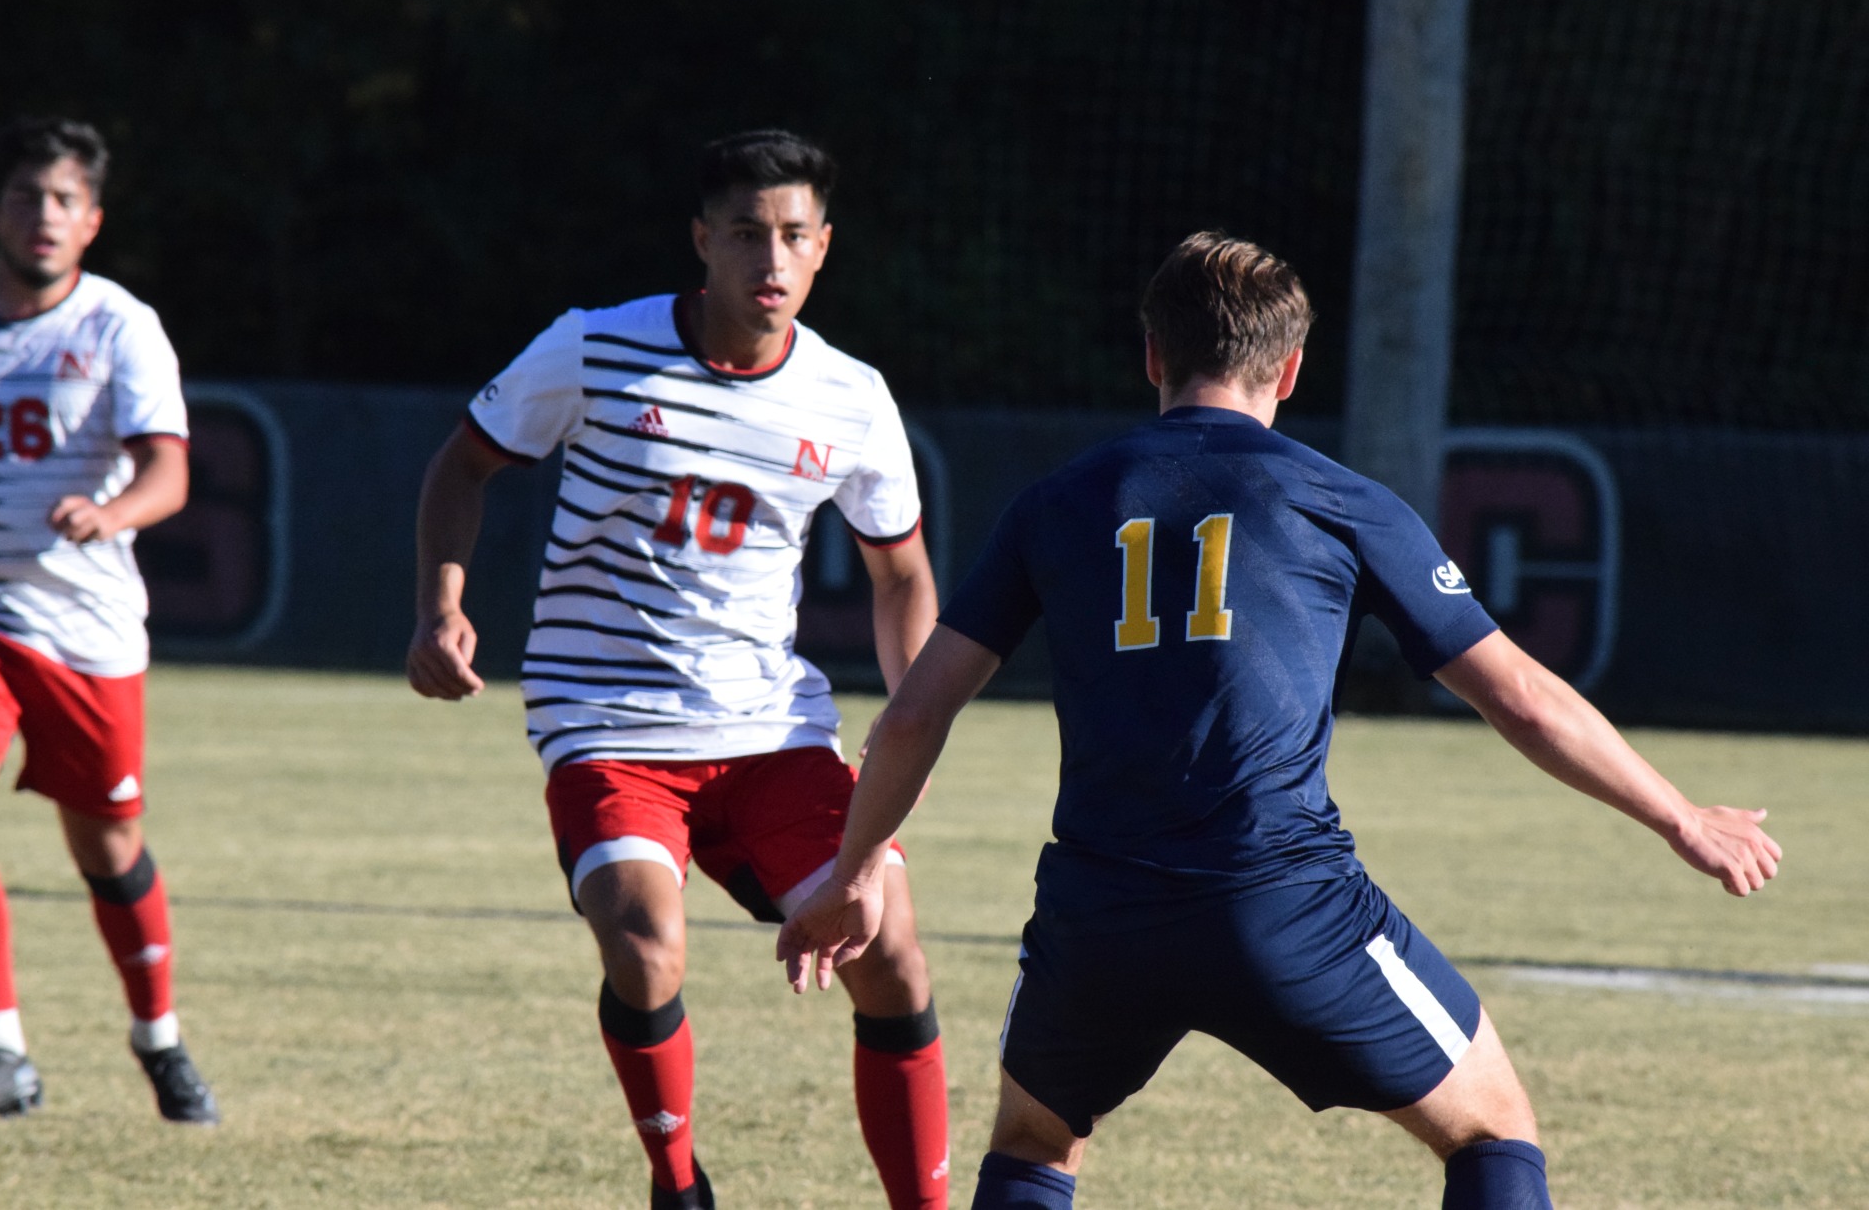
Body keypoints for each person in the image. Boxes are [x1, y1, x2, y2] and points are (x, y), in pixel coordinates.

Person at [777, 231, 1782, 1209]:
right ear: (1291, 369)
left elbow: (910, 717)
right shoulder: (1339, 500)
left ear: (1151, 353)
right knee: (1492, 1130)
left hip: (1099, 917)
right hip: (1283, 905)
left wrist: (854, 870)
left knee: (1035, 1147)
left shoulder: (1054, 502)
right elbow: (1516, 696)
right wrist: (1679, 817)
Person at [408, 130, 949, 1209]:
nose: (771, 257)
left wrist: (910, 712)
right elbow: (462, 464)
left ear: (823, 248)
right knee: (646, 942)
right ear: (701, 242)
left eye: (793, 234)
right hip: (604, 722)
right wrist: (440, 608)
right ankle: (678, 1186)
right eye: (746, 232)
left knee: (890, 952)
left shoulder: (849, 396)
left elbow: (900, 576)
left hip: (769, 731)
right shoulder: (593, 349)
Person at [0, 117, 218, 1124]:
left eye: (64, 200)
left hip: (82, 627)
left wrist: (111, 513)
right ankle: (1, 1051)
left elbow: (168, 468)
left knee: (106, 846)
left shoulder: (120, 325)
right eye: (26, 195)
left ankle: (157, 1035)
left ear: (93, 221)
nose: (43, 216)